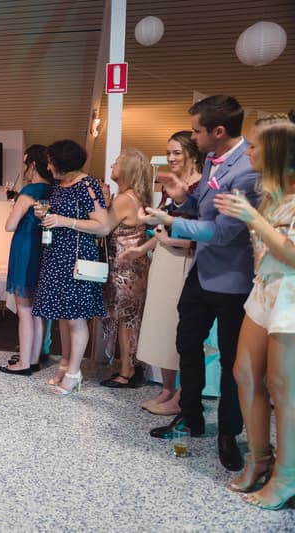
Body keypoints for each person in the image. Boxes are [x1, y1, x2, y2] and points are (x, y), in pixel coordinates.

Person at [139, 95, 259, 472]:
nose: (193, 137)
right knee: (186, 343)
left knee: (231, 359)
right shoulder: (210, 159)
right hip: (202, 272)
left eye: (196, 130)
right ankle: (190, 416)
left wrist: (172, 221)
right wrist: (183, 198)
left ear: (218, 131)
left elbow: (222, 233)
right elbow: (203, 208)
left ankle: (229, 433)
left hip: (233, 278)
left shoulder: (248, 171)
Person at [213, 113, 295, 510]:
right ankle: (260, 457)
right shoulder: (271, 194)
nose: (249, 152)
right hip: (264, 288)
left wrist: (253, 219)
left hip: (290, 293)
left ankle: (287, 475)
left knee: (283, 387)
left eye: (257, 146)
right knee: (244, 373)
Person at [47, 148, 153, 387]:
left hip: (124, 267)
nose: (113, 166)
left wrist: (97, 208)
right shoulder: (132, 196)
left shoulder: (125, 199)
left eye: (117, 162)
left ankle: (126, 372)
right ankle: (127, 368)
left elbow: (103, 227)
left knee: (125, 318)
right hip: (130, 266)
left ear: (128, 169)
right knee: (127, 318)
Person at [126, 131, 203, 415]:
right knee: (160, 325)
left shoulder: (200, 187)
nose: (170, 158)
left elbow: (203, 232)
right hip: (164, 258)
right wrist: (142, 247)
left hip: (186, 261)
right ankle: (168, 389)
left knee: (178, 328)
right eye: (168, 152)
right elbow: (162, 227)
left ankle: (181, 395)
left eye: (176, 153)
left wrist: (172, 241)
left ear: (192, 153)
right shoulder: (171, 185)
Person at [32, 139, 106, 395]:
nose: (48, 167)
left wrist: (65, 221)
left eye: (51, 162)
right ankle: (64, 365)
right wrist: (44, 214)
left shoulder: (87, 185)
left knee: (75, 318)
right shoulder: (59, 184)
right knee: (63, 316)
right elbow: (57, 215)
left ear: (63, 163)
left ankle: (74, 373)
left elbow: (102, 225)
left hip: (76, 258)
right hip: (55, 255)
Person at [0, 144, 52, 375]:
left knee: (24, 309)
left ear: (33, 164)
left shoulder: (30, 190)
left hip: (26, 249)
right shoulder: (53, 189)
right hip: (44, 250)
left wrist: (14, 207)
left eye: (25, 163)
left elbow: (10, 225)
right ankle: (34, 357)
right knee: (38, 310)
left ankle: (24, 363)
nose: (24, 169)